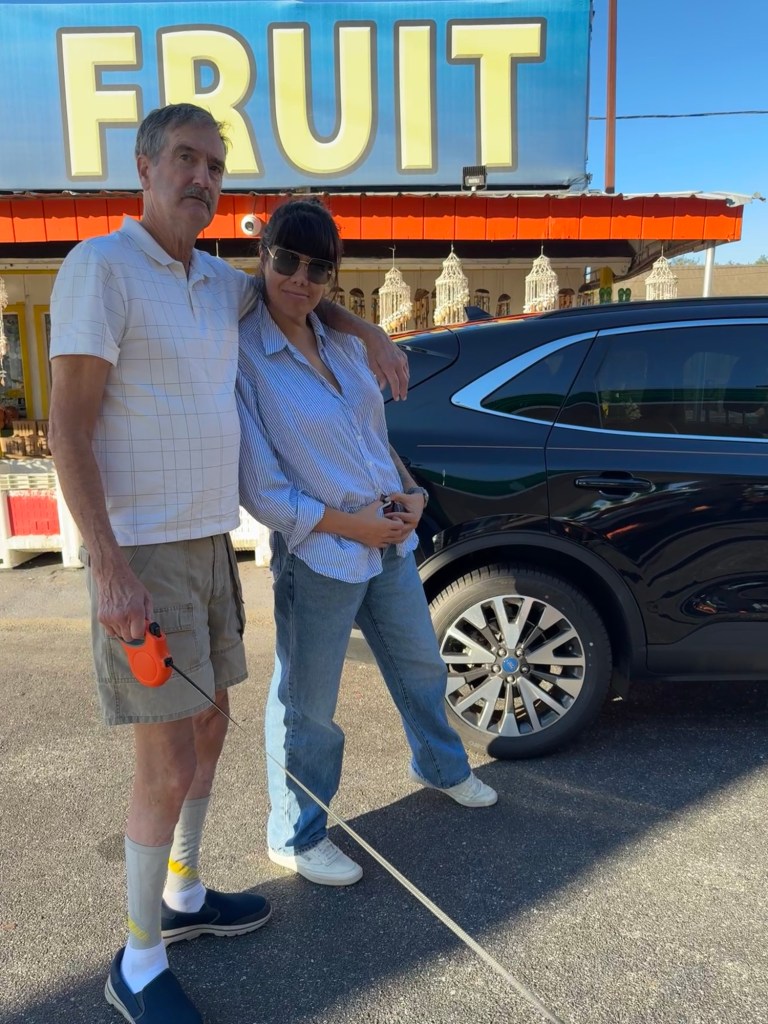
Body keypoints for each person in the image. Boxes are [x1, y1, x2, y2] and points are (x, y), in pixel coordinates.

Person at [48, 104, 408, 1024]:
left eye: (214, 165)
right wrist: (108, 568)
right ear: (145, 166)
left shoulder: (217, 282)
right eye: (186, 159)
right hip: (144, 548)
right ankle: (137, 962)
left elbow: (295, 293)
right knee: (165, 756)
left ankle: (182, 892)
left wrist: (364, 329)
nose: (202, 178)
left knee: (209, 726)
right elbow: (68, 427)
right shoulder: (99, 267)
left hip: (211, 540)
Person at [236, 199, 498, 889]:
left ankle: (440, 766)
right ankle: (295, 833)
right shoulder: (243, 354)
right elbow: (262, 489)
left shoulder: (345, 345)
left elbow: (373, 441)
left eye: (318, 268)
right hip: (320, 553)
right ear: (263, 256)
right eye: (287, 260)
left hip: (389, 540)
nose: (300, 279)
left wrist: (411, 494)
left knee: (420, 666)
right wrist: (355, 526)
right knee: (308, 706)